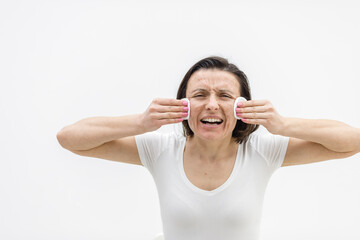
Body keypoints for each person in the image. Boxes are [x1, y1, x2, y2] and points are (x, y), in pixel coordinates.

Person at [56, 56, 360, 240]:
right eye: (200, 94)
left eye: (225, 95)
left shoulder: (262, 151)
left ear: (243, 106)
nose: (211, 104)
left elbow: (352, 141)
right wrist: (140, 122)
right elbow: (70, 138)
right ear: (183, 105)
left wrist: (283, 125)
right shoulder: (160, 149)